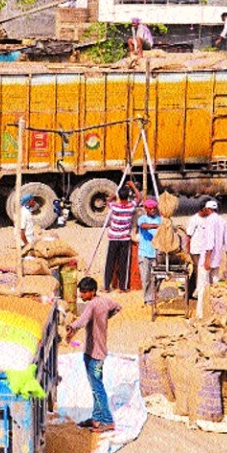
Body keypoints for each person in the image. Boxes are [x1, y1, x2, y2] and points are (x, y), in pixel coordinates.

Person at [65, 276, 122, 433]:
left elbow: (82, 322)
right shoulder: (104, 301)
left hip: (93, 353)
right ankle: (96, 419)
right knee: (95, 387)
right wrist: (104, 319)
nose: (81, 295)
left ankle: (107, 421)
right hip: (101, 351)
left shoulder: (91, 305)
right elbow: (117, 306)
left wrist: (70, 326)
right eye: (80, 292)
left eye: (84, 292)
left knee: (98, 389)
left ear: (92, 292)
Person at [197, 199, 227, 318]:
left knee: (203, 286)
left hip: (207, 260)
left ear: (208, 209)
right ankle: (216, 312)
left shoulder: (209, 221)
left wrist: (207, 259)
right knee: (216, 286)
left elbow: (210, 241)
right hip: (216, 260)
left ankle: (202, 314)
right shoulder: (223, 221)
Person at [104, 182, 141, 292]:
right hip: (125, 239)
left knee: (110, 262)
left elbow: (108, 201)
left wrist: (116, 193)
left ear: (119, 196)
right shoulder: (131, 207)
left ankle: (106, 286)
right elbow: (139, 197)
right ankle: (123, 287)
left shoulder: (115, 207)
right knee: (123, 263)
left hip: (114, 238)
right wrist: (133, 186)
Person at [137, 198, 161, 305]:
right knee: (146, 277)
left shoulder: (159, 219)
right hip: (145, 253)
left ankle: (154, 295)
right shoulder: (142, 219)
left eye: (154, 208)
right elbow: (144, 226)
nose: (153, 210)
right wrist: (157, 226)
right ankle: (148, 298)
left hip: (156, 253)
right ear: (146, 209)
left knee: (158, 277)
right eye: (150, 208)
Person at [184, 204, 209, 298]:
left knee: (196, 271)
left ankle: (189, 292)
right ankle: (198, 293)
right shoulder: (194, 219)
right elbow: (188, 235)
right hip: (195, 250)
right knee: (200, 271)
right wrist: (188, 248)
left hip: (203, 250)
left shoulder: (207, 219)